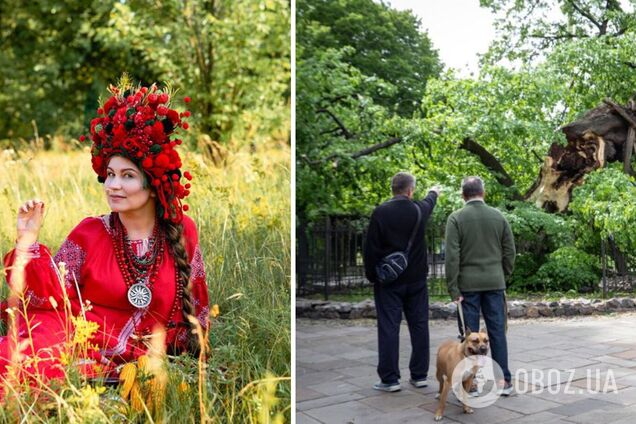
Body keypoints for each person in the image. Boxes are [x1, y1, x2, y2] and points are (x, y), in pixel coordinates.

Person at [1, 81, 210, 391]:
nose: (113, 185)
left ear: (153, 186)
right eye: (110, 174)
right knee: (25, 359)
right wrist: (28, 239)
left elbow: (198, 309)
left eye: (127, 176)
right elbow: (50, 299)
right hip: (82, 340)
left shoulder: (182, 231)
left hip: (147, 357)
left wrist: (190, 368)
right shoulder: (91, 232)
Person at [363, 172, 439, 392]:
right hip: (416, 280)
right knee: (419, 325)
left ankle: (389, 379)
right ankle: (419, 375)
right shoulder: (418, 210)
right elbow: (429, 202)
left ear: (392, 189)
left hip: (388, 282)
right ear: (410, 190)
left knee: (388, 327)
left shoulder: (380, 212)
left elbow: (371, 249)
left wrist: (373, 276)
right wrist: (434, 191)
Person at [444, 176, 515, 395]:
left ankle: (471, 383)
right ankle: (503, 381)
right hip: (494, 282)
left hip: (467, 285)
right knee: (497, 333)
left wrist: (453, 288)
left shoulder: (456, 218)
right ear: (483, 193)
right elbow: (509, 251)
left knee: (469, 336)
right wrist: (503, 274)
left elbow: (452, 256)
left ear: (463, 195)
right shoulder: (498, 216)